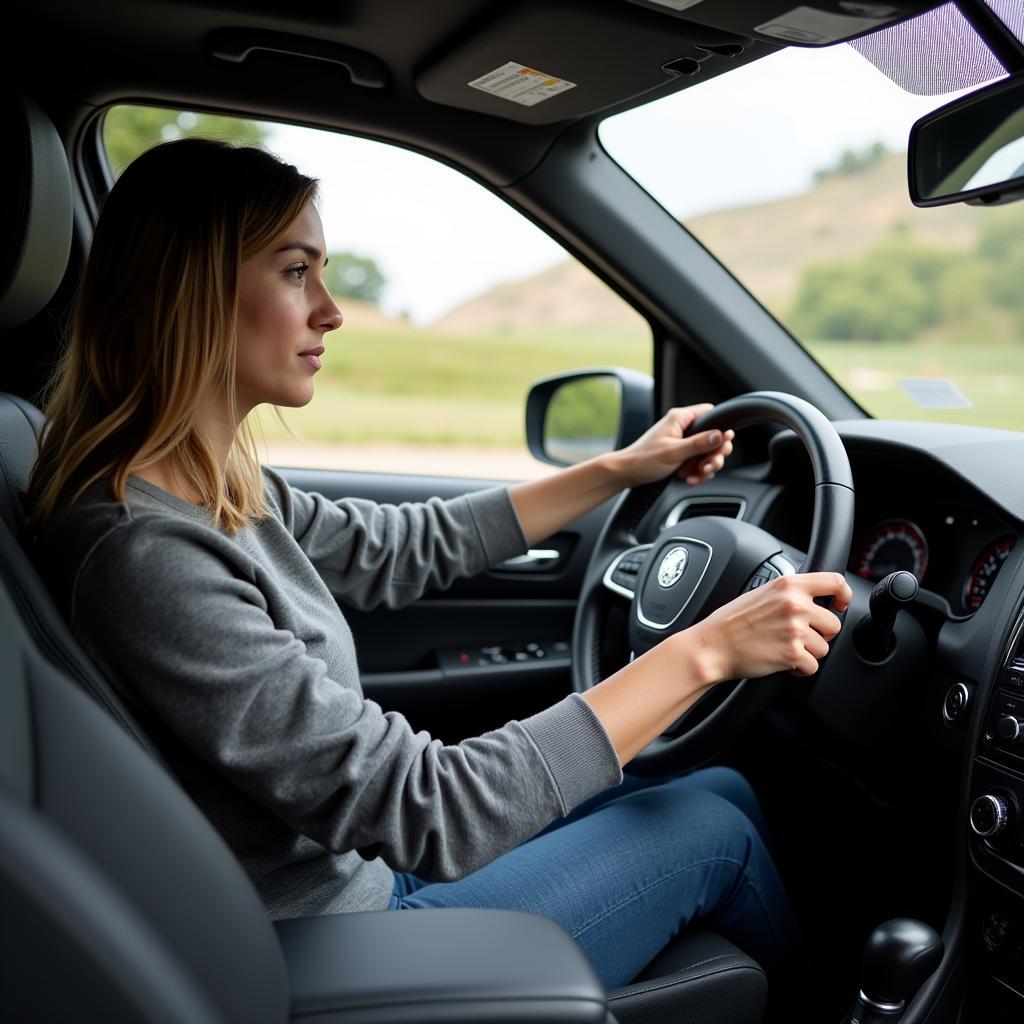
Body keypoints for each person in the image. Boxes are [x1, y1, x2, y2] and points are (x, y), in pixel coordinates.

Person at [26, 138, 851, 1013]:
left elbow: (403, 545)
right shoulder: (149, 557)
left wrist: (620, 469)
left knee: (713, 784)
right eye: (297, 271)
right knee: (714, 829)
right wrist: (707, 653)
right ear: (190, 290)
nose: (332, 310)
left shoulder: (216, 488)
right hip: (331, 932)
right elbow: (429, 807)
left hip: (350, 876)